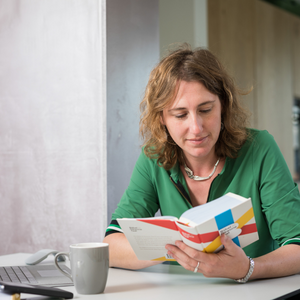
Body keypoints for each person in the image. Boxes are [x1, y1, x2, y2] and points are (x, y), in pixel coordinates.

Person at [103, 44, 300, 282]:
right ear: (162, 118)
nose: (196, 128)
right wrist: (177, 247)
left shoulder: (260, 149)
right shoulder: (153, 158)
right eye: (180, 114)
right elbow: (111, 245)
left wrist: (248, 268)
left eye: (205, 110)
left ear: (223, 106)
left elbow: (296, 245)